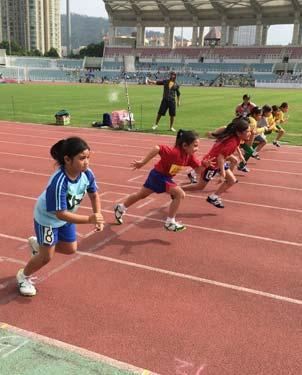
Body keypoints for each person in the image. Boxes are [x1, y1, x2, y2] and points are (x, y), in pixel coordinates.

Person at [16, 137, 104, 296]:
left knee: (71, 249)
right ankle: (23, 276)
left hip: (67, 216)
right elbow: (60, 214)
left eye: (88, 157)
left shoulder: (87, 174)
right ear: (67, 160)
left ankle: (39, 245)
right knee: (46, 257)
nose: (87, 162)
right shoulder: (59, 181)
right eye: (82, 158)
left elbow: (94, 195)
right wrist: (90, 219)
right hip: (48, 220)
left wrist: (97, 214)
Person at [114, 129, 208, 232]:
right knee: (179, 194)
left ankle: (121, 207)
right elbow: (157, 148)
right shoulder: (174, 152)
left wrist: (204, 166)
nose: (197, 149)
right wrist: (143, 162)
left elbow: (198, 171)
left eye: (197, 146)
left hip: (161, 177)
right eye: (195, 146)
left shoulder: (190, 157)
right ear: (185, 145)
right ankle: (170, 222)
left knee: (141, 195)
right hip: (158, 176)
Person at [183, 117, 251, 208]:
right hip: (211, 164)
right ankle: (177, 189)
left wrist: (239, 156)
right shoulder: (233, 142)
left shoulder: (236, 138)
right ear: (239, 133)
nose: (250, 133)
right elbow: (220, 157)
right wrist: (222, 173)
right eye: (247, 131)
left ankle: (213, 197)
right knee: (200, 186)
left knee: (231, 180)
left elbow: (223, 154)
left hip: (218, 163)